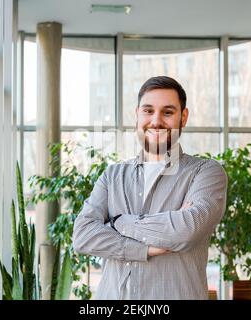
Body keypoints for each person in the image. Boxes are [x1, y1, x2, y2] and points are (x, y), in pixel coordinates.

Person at [73, 76, 228, 299]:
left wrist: (118, 222)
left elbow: (186, 230)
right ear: (137, 114)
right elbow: (82, 235)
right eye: (148, 111)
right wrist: (143, 249)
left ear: (183, 117)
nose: (156, 121)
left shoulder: (205, 172)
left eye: (167, 112)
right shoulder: (112, 175)